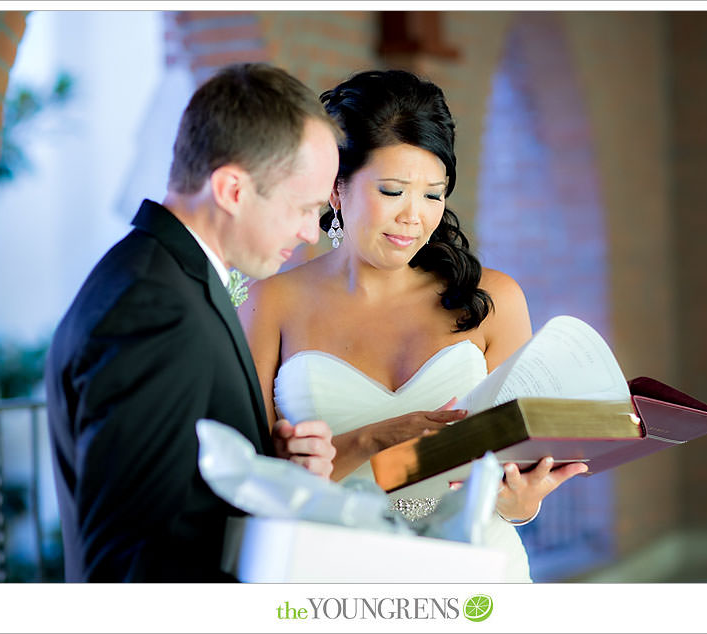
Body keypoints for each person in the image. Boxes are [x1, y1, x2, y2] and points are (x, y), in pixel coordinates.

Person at [240, 69, 588, 582]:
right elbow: (255, 480)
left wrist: (521, 503)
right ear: (337, 188)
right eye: (393, 190)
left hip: (477, 575)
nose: (414, 217)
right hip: (330, 577)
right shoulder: (270, 301)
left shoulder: (495, 301)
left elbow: (517, 478)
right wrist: (369, 440)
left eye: (432, 194)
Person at [45, 63, 340, 582]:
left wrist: (262, 469)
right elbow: (125, 561)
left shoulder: (164, 276)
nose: (312, 233)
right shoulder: (155, 309)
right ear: (231, 190)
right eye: (304, 208)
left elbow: (181, 494)